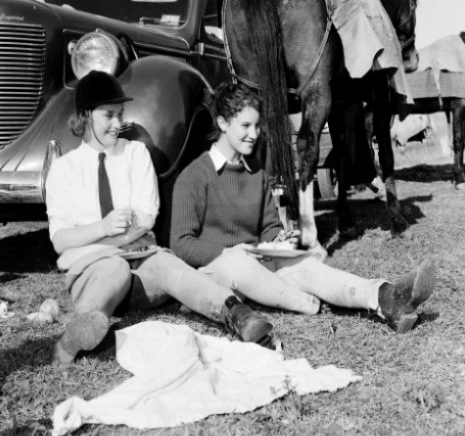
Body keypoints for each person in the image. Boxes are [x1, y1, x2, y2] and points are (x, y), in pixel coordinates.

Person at [45, 71, 278, 364]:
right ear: (85, 116)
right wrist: (103, 228)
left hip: (143, 267)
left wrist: (103, 235)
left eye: (120, 114)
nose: (118, 124)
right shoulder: (64, 170)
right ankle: (81, 330)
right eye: (108, 116)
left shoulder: (136, 153)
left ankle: (238, 315)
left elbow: (147, 215)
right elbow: (60, 241)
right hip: (92, 272)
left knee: (170, 265)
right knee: (113, 267)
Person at [170, 82, 435, 336]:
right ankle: (303, 302)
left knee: (306, 265)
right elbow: (181, 244)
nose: (254, 134)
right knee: (238, 263)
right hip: (217, 272)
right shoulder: (194, 176)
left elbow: (269, 227)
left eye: (257, 126)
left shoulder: (257, 175)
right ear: (222, 123)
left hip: (257, 264)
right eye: (245, 126)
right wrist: (228, 252)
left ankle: (385, 297)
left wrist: (280, 238)